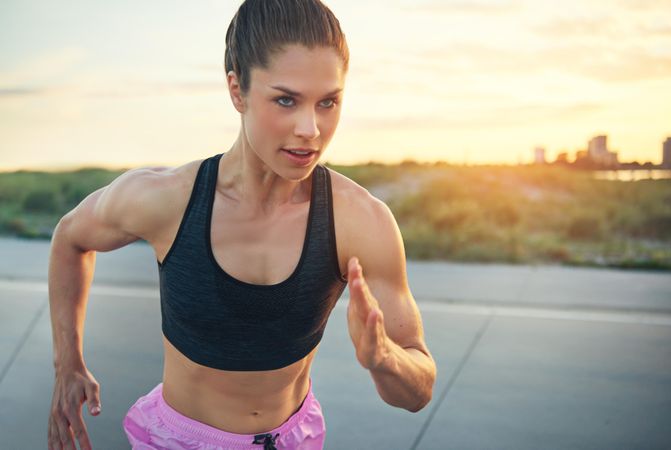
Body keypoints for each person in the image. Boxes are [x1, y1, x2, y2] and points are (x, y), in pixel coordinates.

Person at [47, 0, 437, 449]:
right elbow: (70, 237)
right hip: (176, 441)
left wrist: (384, 358)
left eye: (328, 102)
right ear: (238, 91)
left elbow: (416, 391)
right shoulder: (166, 199)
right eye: (286, 100)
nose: (310, 129)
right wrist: (68, 363)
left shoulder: (361, 220)